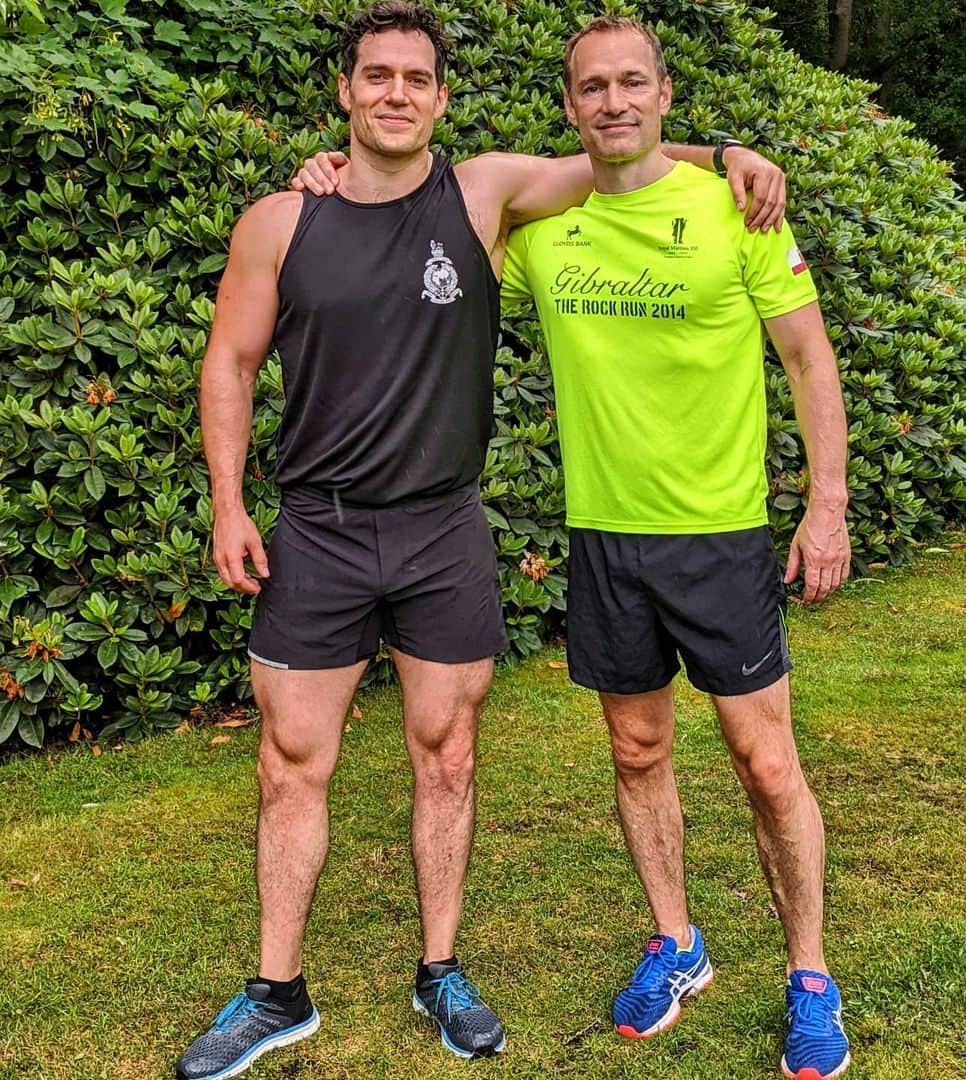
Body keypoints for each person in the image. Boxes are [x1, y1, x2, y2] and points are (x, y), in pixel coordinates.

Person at [181, 3, 789, 1077]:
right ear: (346, 91)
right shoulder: (282, 221)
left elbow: (622, 145)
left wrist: (730, 151)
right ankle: (276, 992)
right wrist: (230, 505)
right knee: (290, 764)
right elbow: (228, 366)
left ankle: (441, 969)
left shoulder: (486, 192)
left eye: (417, 77)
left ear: (442, 98)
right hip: (316, 530)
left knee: (447, 755)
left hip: (443, 531)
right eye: (378, 76)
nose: (397, 94)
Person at [494, 16, 852, 1080]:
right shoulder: (543, 232)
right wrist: (326, 176)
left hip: (723, 535)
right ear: (569, 107)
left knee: (767, 762)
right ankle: (678, 942)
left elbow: (810, 361)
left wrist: (824, 503)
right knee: (637, 751)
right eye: (591, 88)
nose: (612, 102)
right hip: (607, 538)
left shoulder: (736, 206)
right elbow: (424, 222)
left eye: (630, 83)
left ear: (662, 91)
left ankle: (810, 977)